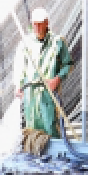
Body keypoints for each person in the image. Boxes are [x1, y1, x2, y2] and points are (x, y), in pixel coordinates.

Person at [16, 8, 72, 137]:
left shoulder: (57, 42)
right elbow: (20, 67)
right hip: (31, 95)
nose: (36, 27)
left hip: (49, 93)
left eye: (40, 23)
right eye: (34, 23)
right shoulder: (26, 43)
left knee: (51, 127)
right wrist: (18, 86)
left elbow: (69, 64)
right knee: (32, 131)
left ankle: (54, 157)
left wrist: (57, 79)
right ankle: (35, 157)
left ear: (47, 22)